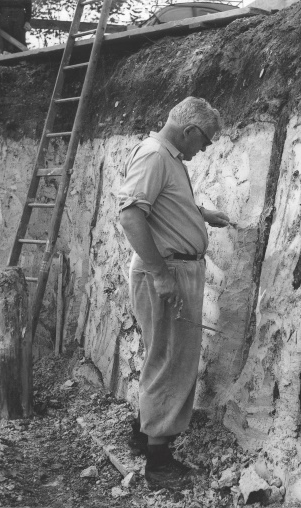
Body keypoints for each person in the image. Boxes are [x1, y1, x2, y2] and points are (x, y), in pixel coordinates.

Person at [118, 97, 231, 490]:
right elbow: (131, 214)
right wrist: (160, 274)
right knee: (171, 360)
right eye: (206, 141)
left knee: (164, 354)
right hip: (168, 272)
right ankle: (159, 463)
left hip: (175, 269)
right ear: (190, 131)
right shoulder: (154, 156)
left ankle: (143, 432)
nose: (205, 149)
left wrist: (199, 213)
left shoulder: (167, 158)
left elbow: (161, 203)